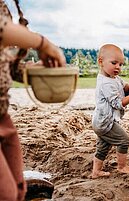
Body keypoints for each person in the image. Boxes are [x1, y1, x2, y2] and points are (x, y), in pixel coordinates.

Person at [0, 0, 66, 200]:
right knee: (6, 193)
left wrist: (31, 71)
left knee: (17, 187)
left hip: (3, 115)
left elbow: (6, 63)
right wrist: (43, 44)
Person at [91, 44, 129, 178]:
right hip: (105, 122)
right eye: (114, 63)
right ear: (101, 62)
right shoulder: (105, 83)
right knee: (124, 140)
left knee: (103, 146)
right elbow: (118, 103)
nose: (118, 67)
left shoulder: (113, 77)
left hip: (101, 121)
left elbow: (123, 86)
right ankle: (122, 167)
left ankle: (96, 171)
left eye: (121, 64)